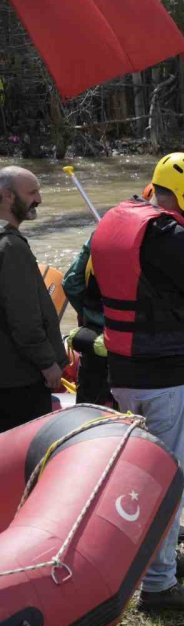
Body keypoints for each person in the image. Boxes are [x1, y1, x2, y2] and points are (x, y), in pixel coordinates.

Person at [90, 152, 184, 611]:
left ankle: (139, 560)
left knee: (134, 475)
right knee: (167, 478)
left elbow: (92, 291)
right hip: (167, 378)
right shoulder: (169, 232)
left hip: (123, 373)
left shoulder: (114, 220)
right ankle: (159, 584)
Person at [0, 166, 68, 431]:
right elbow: (24, 318)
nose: (39, 199)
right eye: (31, 192)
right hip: (19, 381)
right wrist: (47, 363)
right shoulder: (11, 247)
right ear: (7, 196)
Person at [62, 234, 113, 406]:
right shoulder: (158, 235)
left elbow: (71, 283)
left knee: (88, 408)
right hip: (135, 347)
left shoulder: (100, 234)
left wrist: (89, 313)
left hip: (92, 337)